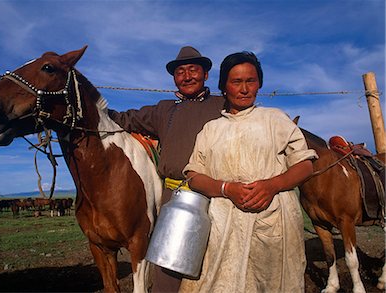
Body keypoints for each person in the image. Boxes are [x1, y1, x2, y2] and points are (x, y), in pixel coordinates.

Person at [180, 51, 318, 293]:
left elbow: (305, 164)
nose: (244, 89)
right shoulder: (211, 130)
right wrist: (227, 189)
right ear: (224, 87)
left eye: (250, 81)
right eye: (236, 82)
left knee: (274, 283)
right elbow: (194, 175)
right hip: (222, 225)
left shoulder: (275, 120)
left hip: (273, 221)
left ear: (259, 84)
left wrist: (273, 185)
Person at [108, 46, 225, 292]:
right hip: (174, 198)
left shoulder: (223, 106)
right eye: (180, 71)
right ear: (174, 78)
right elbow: (124, 119)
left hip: (218, 198)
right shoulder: (164, 110)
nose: (187, 76)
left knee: (218, 265)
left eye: (194, 69)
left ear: (205, 74)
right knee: (167, 271)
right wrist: (89, 106)